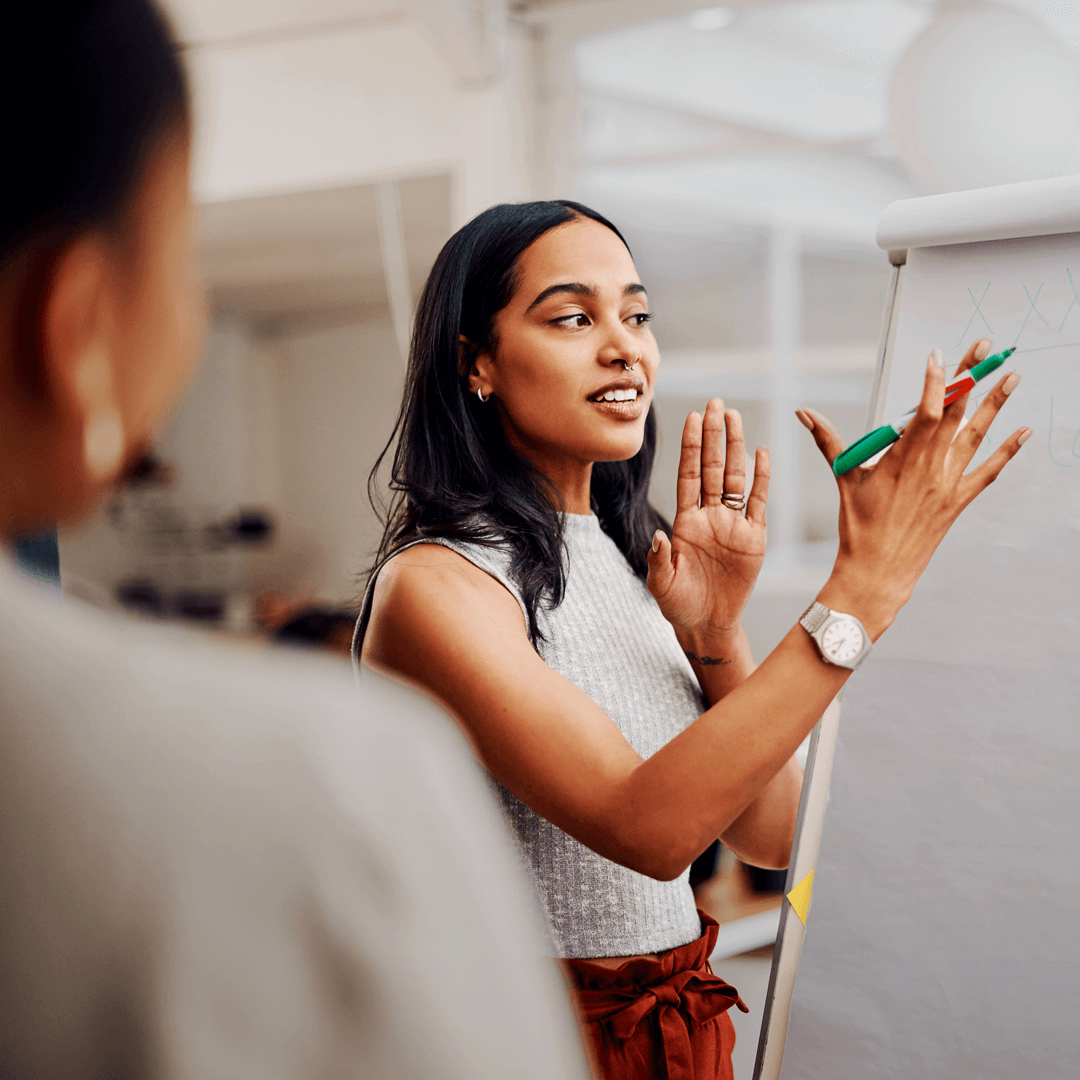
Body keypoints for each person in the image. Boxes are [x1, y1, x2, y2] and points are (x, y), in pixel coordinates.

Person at [0, 5, 590, 1079]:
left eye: (634, 314)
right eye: (182, 257)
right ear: (73, 322)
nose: (621, 353)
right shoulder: (334, 778)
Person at [355, 200, 1029, 1079]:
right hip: (523, 1039)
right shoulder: (436, 584)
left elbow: (774, 833)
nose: (624, 345)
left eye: (636, 315)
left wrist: (714, 637)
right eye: (572, 317)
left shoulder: (636, 557)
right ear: (475, 362)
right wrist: (859, 592)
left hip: (675, 1024)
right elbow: (650, 829)